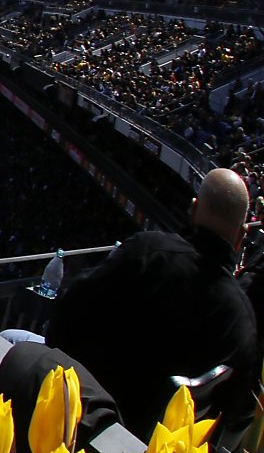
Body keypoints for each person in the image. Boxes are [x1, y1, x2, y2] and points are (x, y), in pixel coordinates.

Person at [47, 167, 260, 432]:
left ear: (193, 210)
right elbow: (234, 413)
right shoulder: (244, 321)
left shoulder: (147, 252)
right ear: (241, 237)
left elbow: (65, 315)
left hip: (79, 416)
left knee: (13, 337)